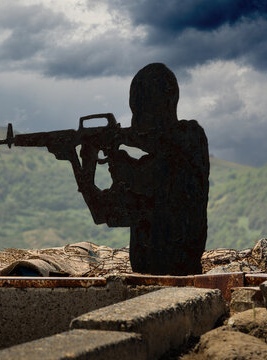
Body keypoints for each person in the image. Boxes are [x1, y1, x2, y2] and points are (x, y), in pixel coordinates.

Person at [70, 63, 209, 275]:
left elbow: (150, 175)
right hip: (146, 277)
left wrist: (119, 157)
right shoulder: (155, 160)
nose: (136, 119)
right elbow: (101, 212)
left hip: (180, 277)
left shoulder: (190, 140)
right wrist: (81, 164)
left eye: (143, 109)